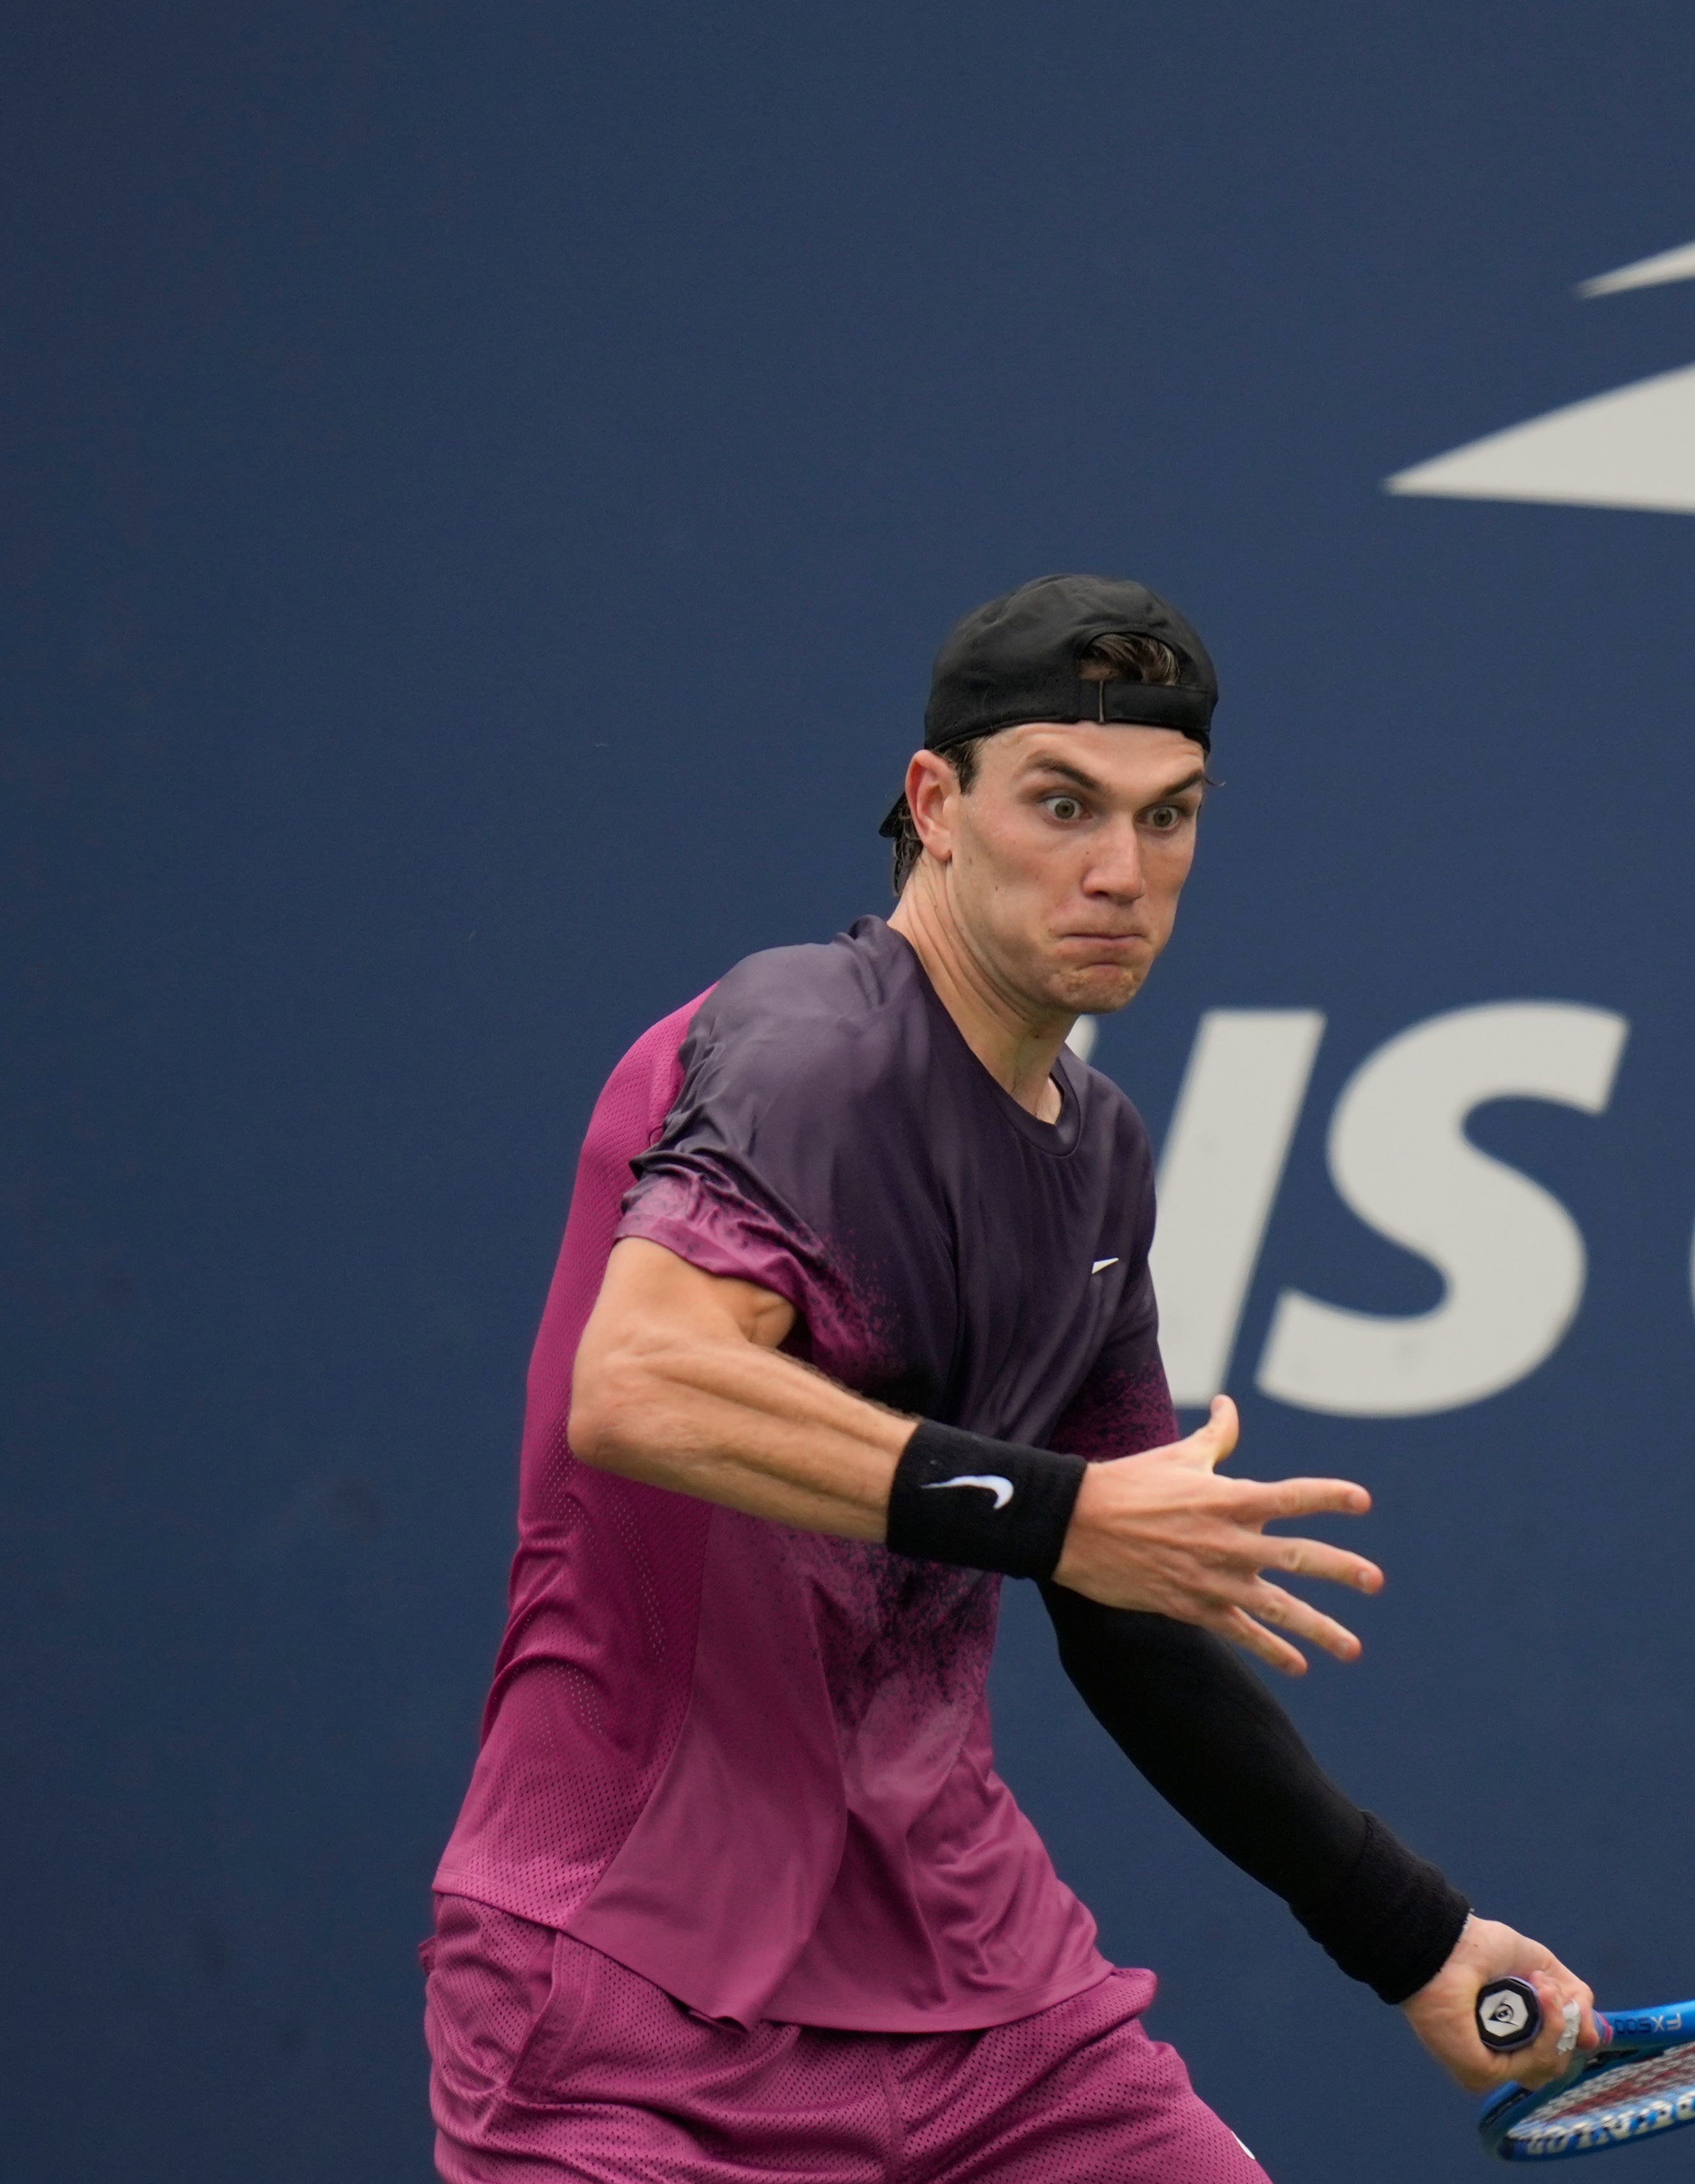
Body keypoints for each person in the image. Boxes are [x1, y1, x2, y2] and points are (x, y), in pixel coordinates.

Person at [423, 575, 1599, 2181]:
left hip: (991, 2016)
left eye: (1169, 817)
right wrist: (1058, 1517)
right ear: (937, 807)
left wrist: (1411, 1933)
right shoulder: (804, 1051)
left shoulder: (1098, 1160)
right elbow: (643, 1383)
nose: (1122, 872)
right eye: (1064, 805)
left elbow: (1123, 1611)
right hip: (637, 2009)